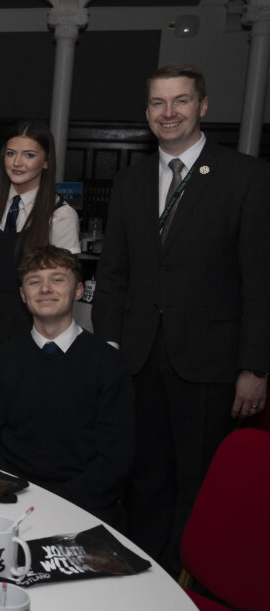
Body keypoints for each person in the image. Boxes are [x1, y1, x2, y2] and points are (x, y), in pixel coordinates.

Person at [93, 62, 270, 573]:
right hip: (139, 358)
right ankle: (145, 575)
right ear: (147, 111)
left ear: (203, 106)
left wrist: (255, 367)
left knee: (196, 482)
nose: (168, 113)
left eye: (180, 101)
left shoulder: (248, 178)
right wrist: (110, 349)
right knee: (145, 479)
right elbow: (113, 275)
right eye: (157, 103)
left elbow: (260, 281)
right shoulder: (128, 182)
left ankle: (184, 584)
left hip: (211, 365)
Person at [0, 246, 133, 525]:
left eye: (58, 279)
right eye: (34, 281)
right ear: (23, 295)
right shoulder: (4, 358)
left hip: (84, 506)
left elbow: (114, 459)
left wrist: (57, 503)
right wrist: (15, 493)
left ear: (79, 291)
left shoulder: (108, 364)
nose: (45, 288)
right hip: (10, 497)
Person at [0, 120, 79, 405]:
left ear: (45, 162)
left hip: (32, 315)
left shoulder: (60, 214)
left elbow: (65, 281)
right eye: (10, 153)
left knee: (29, 398)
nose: (17, 163)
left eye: (29, 155)